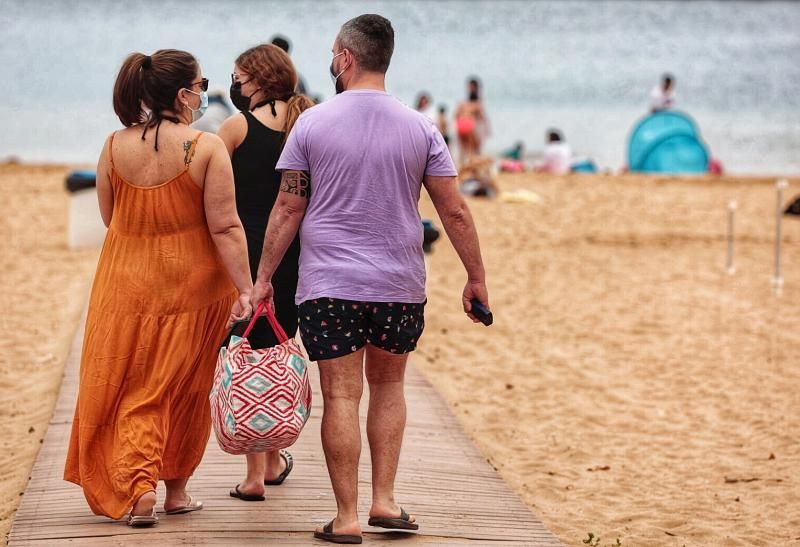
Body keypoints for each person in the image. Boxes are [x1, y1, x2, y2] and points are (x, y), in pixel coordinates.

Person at [250, 14, 489, 544]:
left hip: (329, 284)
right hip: (398, 284)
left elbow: (289, 206)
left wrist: (263, 277)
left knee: (340, 396)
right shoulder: (421, 127)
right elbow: (454, 212)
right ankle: (385, 500)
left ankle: (348, 517)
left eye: (335, 54)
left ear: (346, 58)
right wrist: (476, 277)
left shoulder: (311, 124)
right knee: (388, 387)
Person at [63, 49, 253, 527]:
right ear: (184, 93)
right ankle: (163, 490)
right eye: (201, 82)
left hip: (124, 284)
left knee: (135, 384)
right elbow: (227, 227)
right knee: (183, 388)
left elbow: (112, 218)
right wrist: (247, 288)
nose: (204, 91)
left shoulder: (112, 147)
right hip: (195, 289)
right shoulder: (204, 148)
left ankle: (145, 486)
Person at [217, 43, 314, 503]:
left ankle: (255, 475)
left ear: (258, 79)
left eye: (239, 77)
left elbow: (209, 188)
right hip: (293, 249)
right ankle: (272, 459)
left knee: (246, 347)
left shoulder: (236, 127)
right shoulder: (307, 120)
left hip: (244, 245)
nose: (235, 86)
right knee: (274, 344)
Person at [454, 76, 490, 165]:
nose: (471, 89)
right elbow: (456, 115)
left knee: (471, 149)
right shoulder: (467, 103)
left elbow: (482, 118)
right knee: (464, 149)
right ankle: (465, 166)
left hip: (470, 126)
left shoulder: (476, 103)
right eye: (470, 87)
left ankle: (469, 165)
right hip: (464, 125)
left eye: (472, 87)